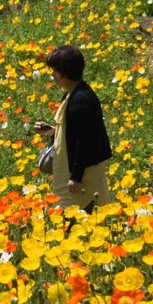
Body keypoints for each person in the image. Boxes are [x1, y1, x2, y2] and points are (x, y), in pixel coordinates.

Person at [34, 45, 112, 213]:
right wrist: (53, 132)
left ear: (63, 72)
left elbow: (83, 140)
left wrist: (76, 177)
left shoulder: (79, 101)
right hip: (82, 167)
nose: (52, 75)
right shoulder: (73, 93)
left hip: (85, 173)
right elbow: (74, 132)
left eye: (54, 71)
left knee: (83, 212)